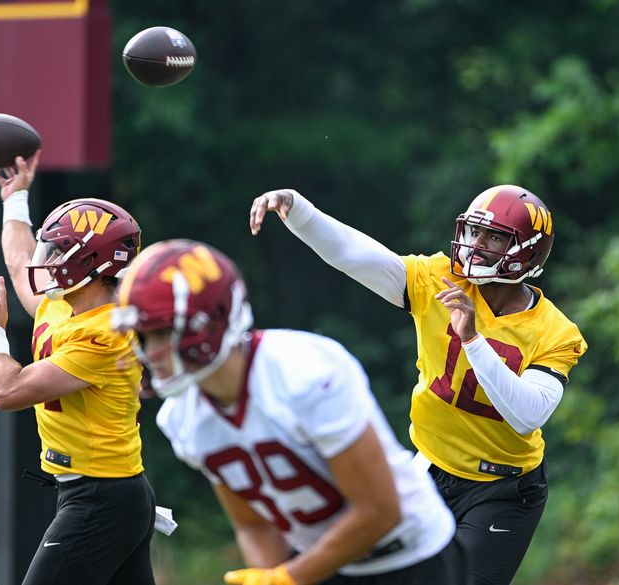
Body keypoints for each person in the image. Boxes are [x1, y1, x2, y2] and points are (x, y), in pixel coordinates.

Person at [248, 185, 587, 585]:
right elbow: (355, 256)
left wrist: (473, 341)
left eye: (493, 237)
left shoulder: (556, 332)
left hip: (503, 487)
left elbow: (526, 416)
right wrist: (299, 211)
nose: (476, 245)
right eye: (474, 231)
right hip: (430, 468)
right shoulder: (439, 279)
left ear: (527, 251)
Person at [111, 239, 467, 585]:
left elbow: (379, 511)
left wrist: (289, 578)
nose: (151, 352)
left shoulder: (304, 373)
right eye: (144, 336)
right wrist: (269, 576)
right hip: (322, 565)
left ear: (211, 322)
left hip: (413, 558)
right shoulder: (183, 419)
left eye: (163, 333)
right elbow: (254, 524)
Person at [0, 151, 158, 585]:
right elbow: (20, 263)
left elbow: (7, 391)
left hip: (100, 498)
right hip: (107, 494)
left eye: (58, 250)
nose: (47, 258)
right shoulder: (64, 302)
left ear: (91, 263)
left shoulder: (107, 332)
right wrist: (15, 197)